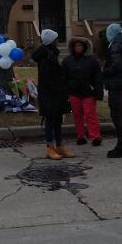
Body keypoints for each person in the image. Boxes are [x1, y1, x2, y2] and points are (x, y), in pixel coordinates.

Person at [31, 29, 74, 160]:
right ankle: (50, 147)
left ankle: (59, 145)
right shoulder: (45, 58)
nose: (57, 41)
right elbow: (47, 78)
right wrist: (56, 88)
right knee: (50, 120)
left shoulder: (52, 54)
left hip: (57, 93)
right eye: (55, 39)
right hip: (49, 94)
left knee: (58, 120)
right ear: (50, 41)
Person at [62, 37, 103, 146]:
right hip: (74, 92)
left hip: (88, 92)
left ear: (84, 47)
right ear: (73, 47)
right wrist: (66, 91)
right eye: (76, 46)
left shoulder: (92, 60)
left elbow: (98, 77)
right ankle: (80, 136)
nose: (78, 48)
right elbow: (64, 78)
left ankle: (95, 136)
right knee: (77, 115)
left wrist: (98, 92)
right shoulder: (67, 61)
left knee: (90, 115)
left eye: (80, 46)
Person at [102, 23, 122, 158]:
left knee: (116, 116)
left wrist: (103, 72)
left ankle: (121, 146)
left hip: (115, 85)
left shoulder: (115, 46)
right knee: (120, 115)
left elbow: (116, 66)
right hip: (120, 84)